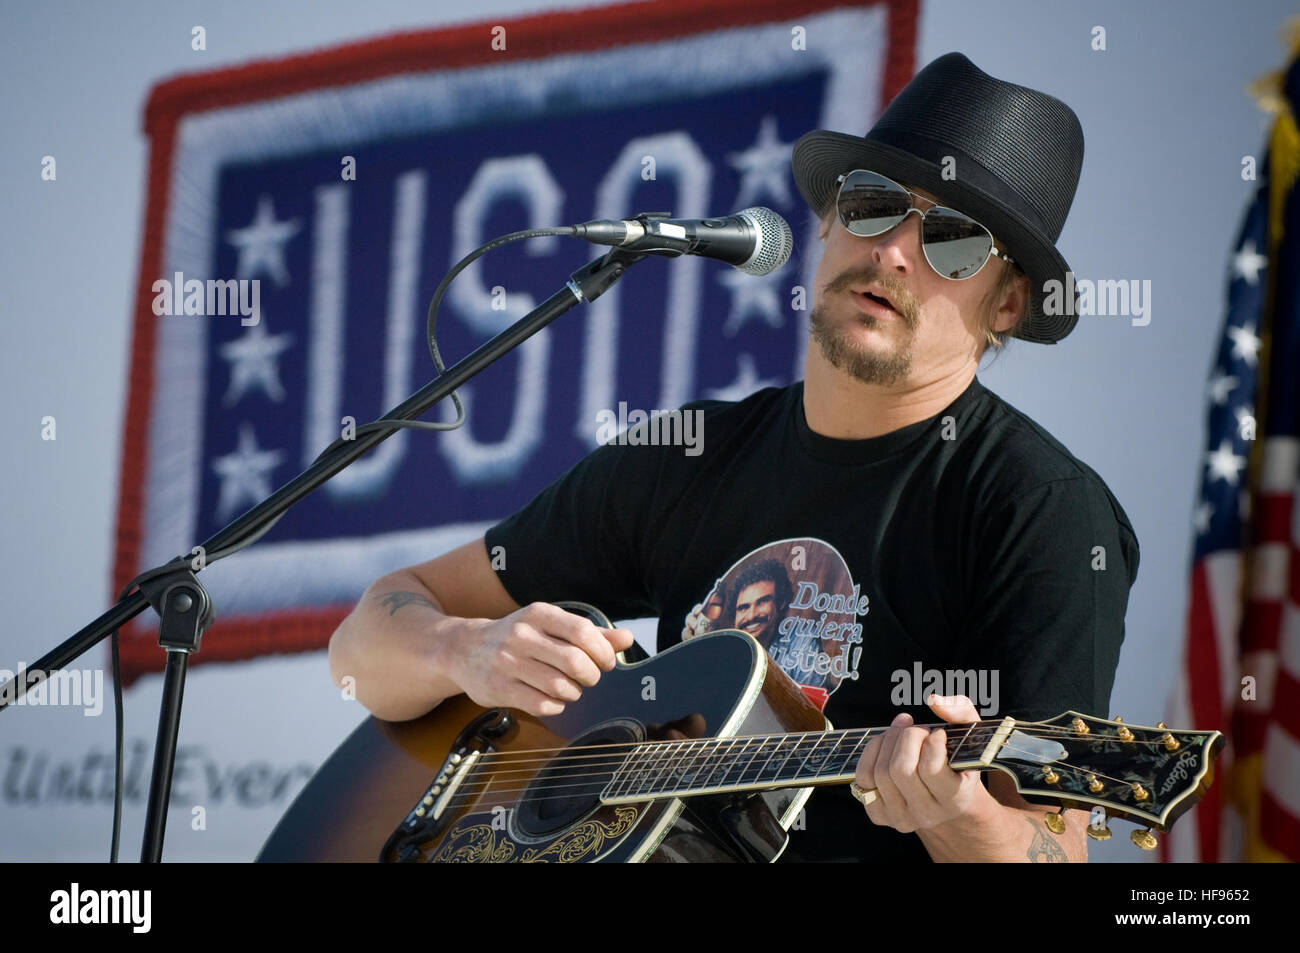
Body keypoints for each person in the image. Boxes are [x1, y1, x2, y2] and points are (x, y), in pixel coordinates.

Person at [327, 52, 1139, 863]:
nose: (894, 249)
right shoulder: (691, 454)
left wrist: (955, 812)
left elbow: (1053, 849)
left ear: (1005, 301)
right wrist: (464, 651)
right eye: (873, 204)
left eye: (954, 239)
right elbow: (363, 643)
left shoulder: (1041, 507)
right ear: (825, 221)